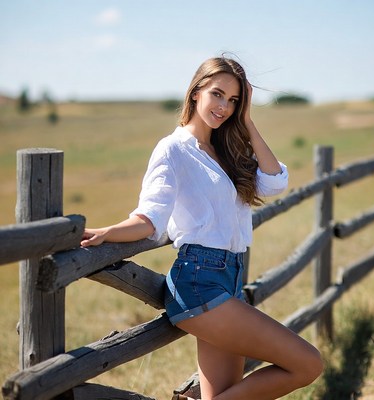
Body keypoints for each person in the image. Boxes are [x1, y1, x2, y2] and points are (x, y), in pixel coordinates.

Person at [81, 56, 323, 400]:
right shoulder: (173, 150)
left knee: (221, 394)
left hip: (229, 280)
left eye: (234, 100)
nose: (224, 106)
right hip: (199, 282)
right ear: (195, 93)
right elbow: (149, 218)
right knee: (308, 364)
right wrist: (106, 233)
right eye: (217, 94)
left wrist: (248, 120)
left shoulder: (227, 148)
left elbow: (274, 181)